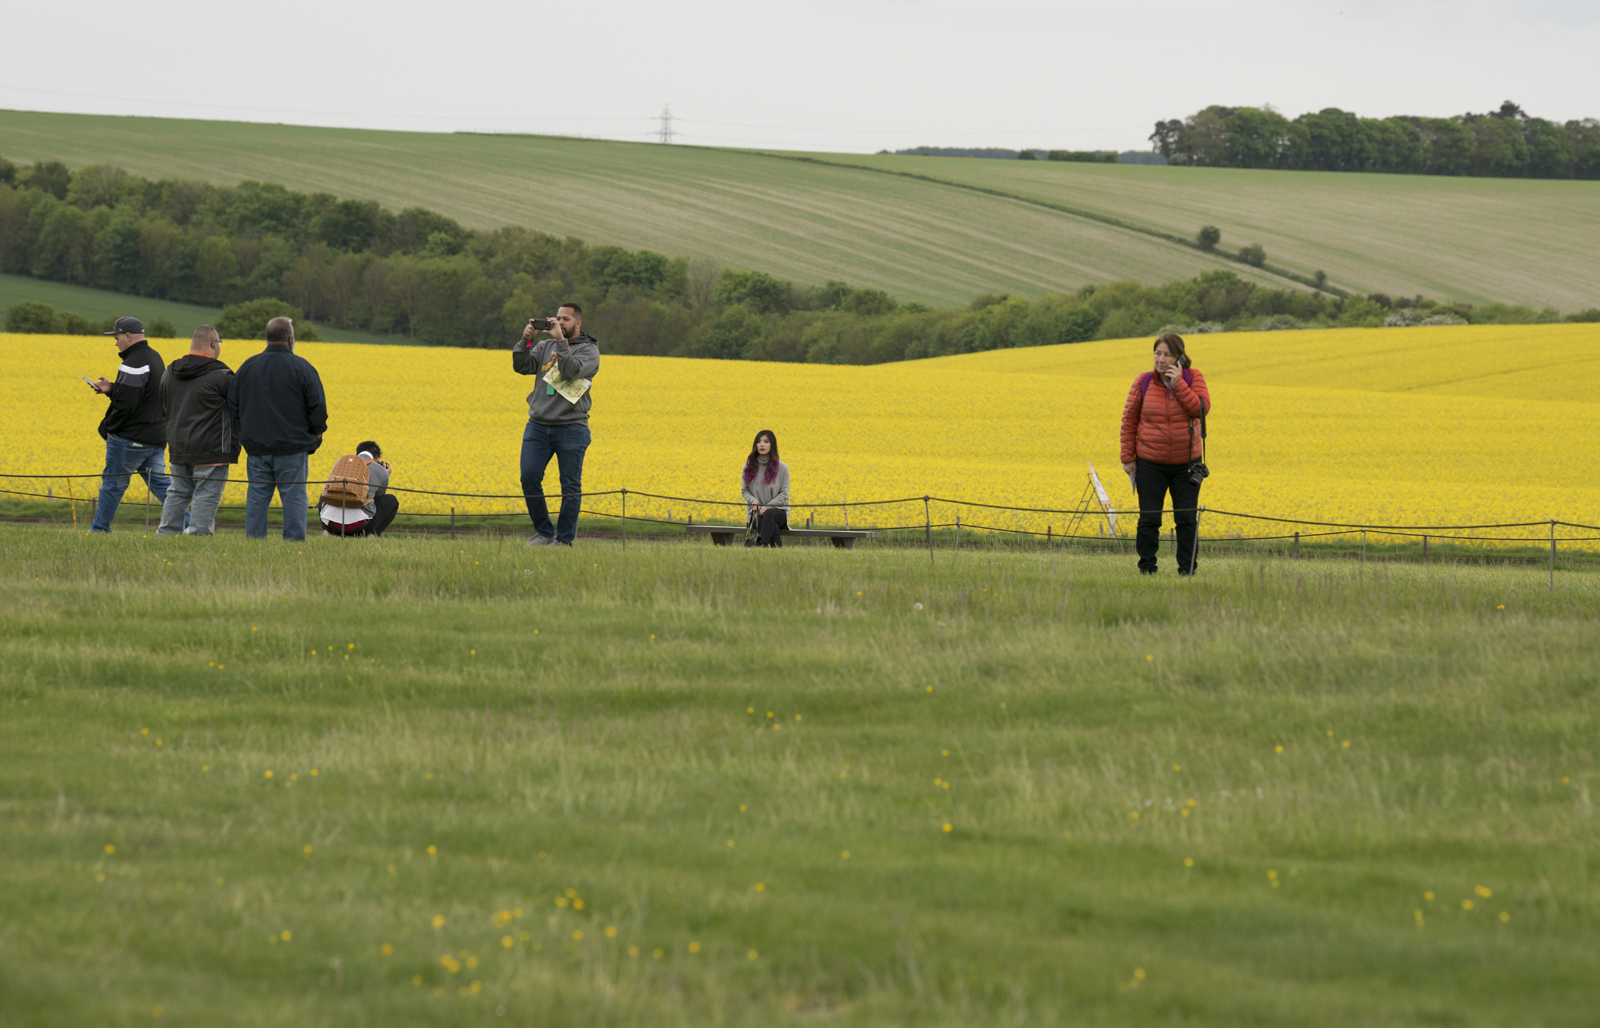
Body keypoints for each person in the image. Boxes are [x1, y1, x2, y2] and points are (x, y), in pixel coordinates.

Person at [228, 316, 327, 542]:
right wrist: (317, 431)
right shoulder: (302, 367)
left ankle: (254, 540)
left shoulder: (247, 367)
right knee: (294, 497)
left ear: (267, 338)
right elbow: (318, 407)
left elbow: (232, 405)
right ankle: (293, 544)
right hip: (292, 448)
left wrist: (246, 430)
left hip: (256, 448)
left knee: (257, 496)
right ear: (290, 339)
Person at [1120, 332, 1211, 575]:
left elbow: (1200, 410)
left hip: (1187, 464)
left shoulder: (1194, 377)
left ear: (1179, 358)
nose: (1161, 360)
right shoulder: (1144, 381)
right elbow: (1129, 420)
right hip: (1150, 462)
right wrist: (1128, 458)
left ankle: (1187, 571)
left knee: (1186, 520)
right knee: (1149, 519)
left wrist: (1179, 383)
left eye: (1167, 355)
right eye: (1157, 353)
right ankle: (1147, 569)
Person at [512, 303, 599, 547]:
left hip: (572, 427)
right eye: (557, 318)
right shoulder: (544, 345)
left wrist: (561, 341)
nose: (559, 323)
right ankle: (544, 532)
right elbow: (521, 366)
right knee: (528, 478)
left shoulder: (589, 351)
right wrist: (526, 341)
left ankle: (564, 540)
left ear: (578, 324)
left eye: (566, 320)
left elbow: (571, 371)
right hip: (538, 425)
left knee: (569, 486)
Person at [89, 316, 170, 533]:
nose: (115, 343)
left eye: (117, 338)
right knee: (162, 486)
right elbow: (142, 396)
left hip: (131, 440)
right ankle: (189, 525)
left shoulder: (133, 363)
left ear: (128, 336)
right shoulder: (154, 357)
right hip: (155, 438)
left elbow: (126, 405)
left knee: (112, 486)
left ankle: (99, 530)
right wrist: (112, 388)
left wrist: (107, 428)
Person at [157, 325, 239, 536]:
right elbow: (240, 408)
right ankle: (198, 537)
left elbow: (164, 409)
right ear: (213, 344)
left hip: (178, 446)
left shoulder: (169, 373)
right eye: (218, 344)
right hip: (211, 449)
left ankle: (166, 534)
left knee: (177, 492)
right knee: (206, 494)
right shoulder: (222, 376)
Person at [319, 441, 398, 537]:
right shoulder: (380, 470)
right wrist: (385, 475)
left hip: (331, 525)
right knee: (392, 500)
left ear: (357, 454)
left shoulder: (340, 463)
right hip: (361, 527)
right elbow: (379, 498)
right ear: (376, 459)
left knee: (324, 494)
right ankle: (371, 535)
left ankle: (326, 532)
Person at [741, 429, 790, 547]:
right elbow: (745, 490)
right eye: (758, 442)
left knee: (768, 514)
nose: (762, 444)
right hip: (756, 515)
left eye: (766, 441)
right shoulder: (748, 467)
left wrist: (767, 507)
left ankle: (762, 544)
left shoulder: (783, 468)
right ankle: (776, 547)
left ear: (772, 445)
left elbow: (784, 494)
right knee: (767, 519)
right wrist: (754, 501)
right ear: (755, 445)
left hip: (779, 512)